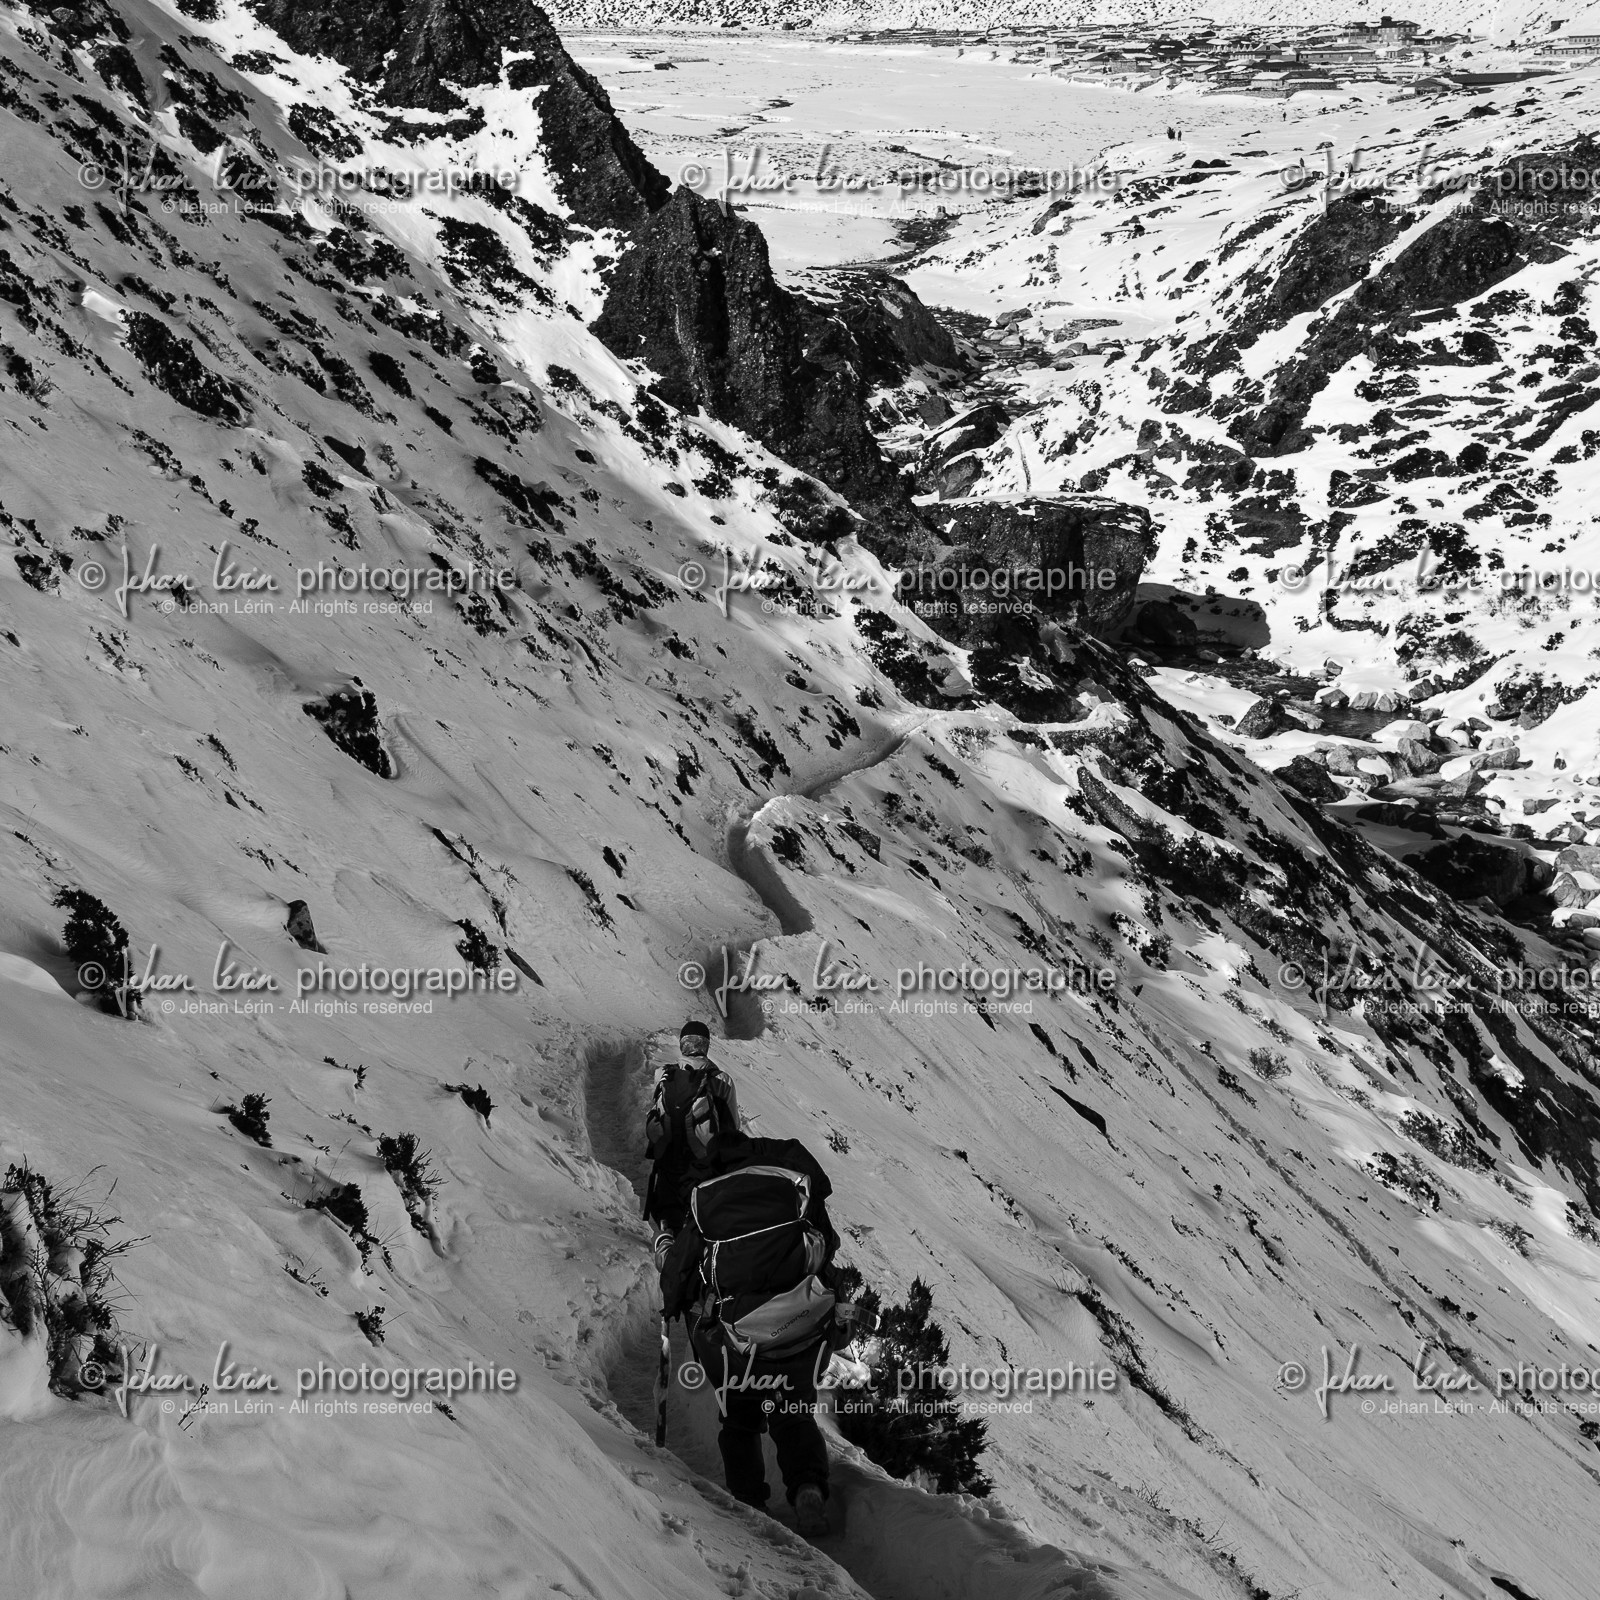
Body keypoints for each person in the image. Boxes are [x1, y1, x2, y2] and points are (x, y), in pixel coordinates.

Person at [659, 1130, 841, 1536]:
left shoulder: (709, 1199)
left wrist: (672, 1302)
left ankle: (750, 1501)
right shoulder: (797, 1188)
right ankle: (808, 1486)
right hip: (800, 1329)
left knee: (740, 1418)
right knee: (794, 1412)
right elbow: (829, 1245)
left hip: (734, 1339)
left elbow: (681, 1270)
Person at [643, 1021, 741, 1237]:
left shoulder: (663, 1074)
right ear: (706, 1046)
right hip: (704, 1164)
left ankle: (666, 1248)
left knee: (669, 1219)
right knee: (698, 1223)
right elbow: (734, 1127)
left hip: (668, 1161)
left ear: (682, 1045)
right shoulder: (722, 1081)